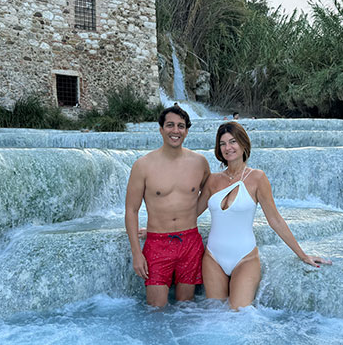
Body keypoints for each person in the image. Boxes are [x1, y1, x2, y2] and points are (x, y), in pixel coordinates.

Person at [197, 121, 330, 309]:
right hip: (212, 258)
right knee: (214, 317)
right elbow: (191, 213)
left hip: (245, 258)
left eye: (232, 141)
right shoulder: (212, 180)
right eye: (223, 143)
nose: (228, 147)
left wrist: (302, 254)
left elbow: (274, 219)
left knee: (239, 315)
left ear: (243, 144)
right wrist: (155, 228)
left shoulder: (257, 178)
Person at [125, 106, 211, 307]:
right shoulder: (143, 165)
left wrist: (190, 215)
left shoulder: (199, 163)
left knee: (186, 309)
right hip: (157, 244)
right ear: (161, 129)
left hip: (190, 242)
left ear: (187, 131)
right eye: (170, 125)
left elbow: (210, 191)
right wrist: (137, 253)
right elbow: (131, 210)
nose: (176, 131)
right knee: (155, 311)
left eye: (181, 126)